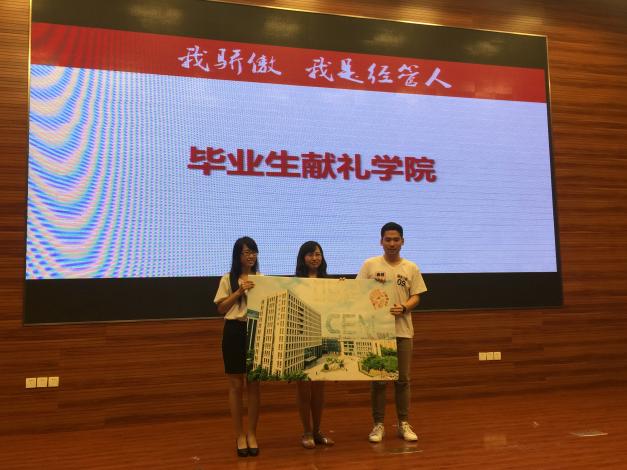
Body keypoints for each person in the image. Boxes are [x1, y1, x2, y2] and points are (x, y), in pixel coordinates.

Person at [356, 222, 427, 443]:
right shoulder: (370, 265)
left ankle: (403, 423)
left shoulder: (411, 268)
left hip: (403, 331)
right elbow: (356, 292)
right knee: (378, 379)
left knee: (403, 380)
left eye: (396, 240)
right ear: (381, 241)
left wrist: (404, 307)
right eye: (388, 239)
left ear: (403, 241)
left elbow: (416, 296)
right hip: (377, 333)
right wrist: (371, 286)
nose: (392, 244)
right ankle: (378, 425)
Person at [214, 237, 261, 458]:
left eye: (254, 252)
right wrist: (239, 291)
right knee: (235, 385)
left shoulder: (262, 279)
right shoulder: (228, 279)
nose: (251, 256)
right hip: (233, 331)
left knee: (254, 384)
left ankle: (252, 433)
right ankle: (239, 435)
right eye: (246, 252)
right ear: (238, 256)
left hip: (256, 331)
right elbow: (221, 308)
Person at [295, 241, 335, 449]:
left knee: (319, 390)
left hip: (323, 338)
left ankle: (318, 431)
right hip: (301, 339)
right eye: (310, 254)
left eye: (318, 254)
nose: (314, 258)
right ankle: (306, 432)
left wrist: (343, 288)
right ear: (303, 258)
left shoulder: (329, 282)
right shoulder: (294, 283)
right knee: (304, 390)